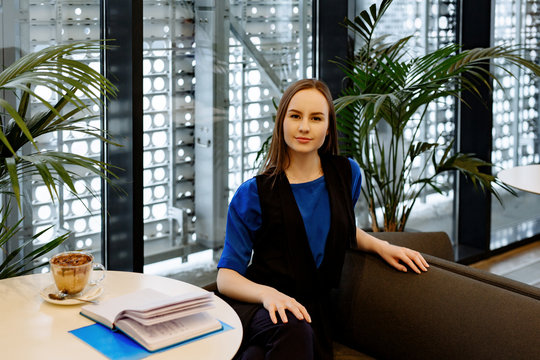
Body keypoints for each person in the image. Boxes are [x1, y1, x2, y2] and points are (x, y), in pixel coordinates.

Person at [217, 79, 429, 360]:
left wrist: (382, 246)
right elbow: (226, 276)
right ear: (282, 122)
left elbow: (334, 227)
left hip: (311, 312)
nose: (304, 127)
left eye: (316, 118)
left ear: (329, 127)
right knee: (292, 329)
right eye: (295, 116)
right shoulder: (254, 193)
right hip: (260, 306)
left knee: (257, 355)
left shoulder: (347, 174)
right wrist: (269, 295)